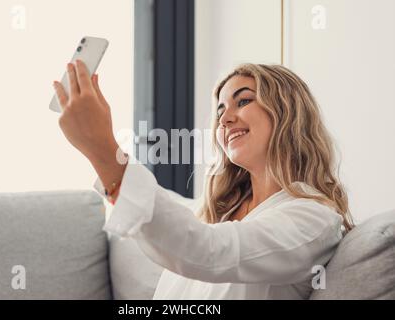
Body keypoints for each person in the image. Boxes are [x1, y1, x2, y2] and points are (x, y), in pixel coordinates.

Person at [53, 60, 354, 299]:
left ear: (287, 113)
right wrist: (102, 159)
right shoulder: (218, 213)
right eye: (221, 109)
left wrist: (104, 151)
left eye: (244, 101)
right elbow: (177, 226)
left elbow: (207, 251)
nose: (224, 119)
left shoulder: (313, 219)